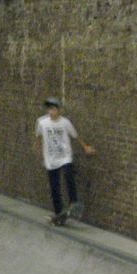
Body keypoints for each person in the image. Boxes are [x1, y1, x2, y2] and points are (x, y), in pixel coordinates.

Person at [34, 97, 96, 226]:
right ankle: (58, 214)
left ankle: (73, 202)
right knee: (54, 188)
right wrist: (39, 154)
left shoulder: (65, 123)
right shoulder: (42, 123)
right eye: (49, 109)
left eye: (53, 109)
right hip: (51, 159)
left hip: (65, 156)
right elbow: (38, 138)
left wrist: (85, 147)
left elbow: (75, 136)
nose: (51, 112)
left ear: (59, 110)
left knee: (68, 174)